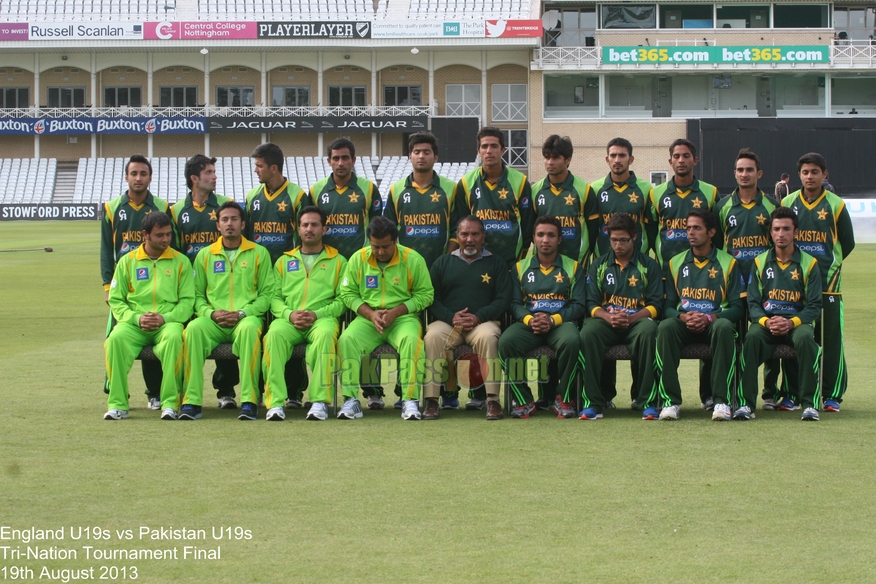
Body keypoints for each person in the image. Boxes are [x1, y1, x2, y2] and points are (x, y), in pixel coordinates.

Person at [180, 201, 275, 421]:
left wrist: (243, 313)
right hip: (214, 321)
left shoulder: (259, 253)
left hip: (244, 320)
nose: (229, 224)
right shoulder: (205, 255)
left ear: (243, 224)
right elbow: (196, 296)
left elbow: (267, 295)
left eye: (234, 219)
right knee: (193, 329)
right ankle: (191, 401)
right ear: (218, 226)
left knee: (251, 330)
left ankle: (250, 401)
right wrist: (209, 314)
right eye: (224, 220)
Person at [336, 216, 434, 420]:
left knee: (411, 341)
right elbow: (347, 293)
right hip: (367, 319)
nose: (380, 252)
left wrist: (396, 312)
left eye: (386, 247)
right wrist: (371, 314)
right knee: (347, 340)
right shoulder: (358, 258)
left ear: (396, 241)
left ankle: (410, 400)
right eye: (375, 247)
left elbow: (426, 295)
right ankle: (350, 400)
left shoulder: (413, 259)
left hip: (403, 319)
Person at [647, 139, 720, 410]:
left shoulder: (711, 193)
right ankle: (663, 395)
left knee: (708, 322)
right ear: (669, 162)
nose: (681, 160)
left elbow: (717, 232)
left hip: (705, 271)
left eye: (686, 156)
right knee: (666, 330)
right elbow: (652, 233)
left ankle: (710, 394)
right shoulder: (656, 195)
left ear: (695, 160)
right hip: (668, 273)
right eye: (676, 156)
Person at [655, 209, 745, 421]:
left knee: (724, 327)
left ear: (711, 232)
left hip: (713, 325)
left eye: (697, 228)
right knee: (665, 327)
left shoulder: (728, 263)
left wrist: (709, 318)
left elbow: (738, 309)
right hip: (684, 324)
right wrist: (682, 317)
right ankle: (670, 401)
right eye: (688, 228)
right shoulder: (674, 262)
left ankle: (721, 400)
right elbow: (666, 307)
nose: (691, 233)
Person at [782, 152, 855, 412]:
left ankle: (831, 394)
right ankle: (790, 393)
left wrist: (828, 267)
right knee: (793, 339)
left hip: (828, 286)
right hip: (792, 286)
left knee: (830, 340)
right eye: (805, 172)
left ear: (825, 175)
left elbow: (847, 243)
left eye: (815, 172)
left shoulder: (836, 204)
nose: (809, 176)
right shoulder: (789, 201)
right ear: (799, 175)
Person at [713, 149, 785, 408]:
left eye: (749, 170)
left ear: (759, 174)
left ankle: (769, 393)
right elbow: (718, 250)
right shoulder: (722, 206)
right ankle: (722, 393)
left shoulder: (771, 207)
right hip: (731, 286)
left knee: (766, 336)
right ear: (734, 174)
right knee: (726, 339)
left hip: (764, 286)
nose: (744, 174)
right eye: (740, 170)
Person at [585, 137, 654, 407]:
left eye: (622, 155)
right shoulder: (595, 189)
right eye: (612, 155)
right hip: (605, 268)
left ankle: (640, 396)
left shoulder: (646, 190)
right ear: (606, 159)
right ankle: (604, 397)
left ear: (631, 159)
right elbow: (590, 231)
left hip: (636, 267)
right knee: (601, 325)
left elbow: (652, 229)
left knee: (642, 330)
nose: (617, 159)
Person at [104, 212, 194, 420]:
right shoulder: (127, 262)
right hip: (135, 323)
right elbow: (116, 300)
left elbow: (188, 302)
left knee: (174, 339)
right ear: (145, 235)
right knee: (115, 339)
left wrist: (166, 318)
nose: (165, 240)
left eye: (168, 235)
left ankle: (170, 403)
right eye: (159, 235)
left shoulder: (181, 262)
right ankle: (118, 404)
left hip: (167, 323)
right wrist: (136, 318)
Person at [261, 206, 347, 422]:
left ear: (324, 229)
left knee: (326, 336)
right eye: (305, 225)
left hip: (322, 320)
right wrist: (289, 315)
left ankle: (319, 402)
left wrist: (317, 314)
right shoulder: (283, 261)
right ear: (297, 229)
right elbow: (274, 297)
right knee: (273, 336)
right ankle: (276, 403)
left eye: (315, 225)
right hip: (289, 321)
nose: (309, 229)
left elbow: (343, 300)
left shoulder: (339, 261)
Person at [423, 215, 513, 420]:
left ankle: (492, 401)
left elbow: (503, 298)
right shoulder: (442, 262)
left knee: (489, 337)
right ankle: (431, 401)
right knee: (433, 336)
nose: (469, 239)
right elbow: (431, 298)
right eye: (464, 234)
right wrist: (450, 316)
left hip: (482, 323)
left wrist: (479, 316)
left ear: (483, 237)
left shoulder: (496, 263)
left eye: (475, 234)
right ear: (457, 236)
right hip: (448, 324)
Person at [737, 207, 822, 421]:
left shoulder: (809, 263)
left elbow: (814, 305)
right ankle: (746, 405)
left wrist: (791, 323)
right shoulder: (760, 262)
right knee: (752, 338)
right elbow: (753, 303)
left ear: (796, 233)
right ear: (771, 233)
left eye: (786, 229)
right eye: (776, 229)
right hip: (767, 323)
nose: (781, 234)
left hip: (796, 323)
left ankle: (809, 404)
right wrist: (767, 321)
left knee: (805, 338)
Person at [100, 154, 170, 410]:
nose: (138, 178)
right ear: (126, 176)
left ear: (150, 177)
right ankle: (115, 390)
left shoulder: (162, 206)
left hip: (155, 278)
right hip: (125, 281)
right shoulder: (112, 207)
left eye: (143, 173)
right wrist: (108, 286)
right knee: (115, 339)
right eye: (134, 173)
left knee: (154, 331)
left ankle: (155, 392)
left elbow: (168, 243)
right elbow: (106, 250)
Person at [498, 216, 586, 419]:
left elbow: (579, 304)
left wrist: (553, 320)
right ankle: (523, 399)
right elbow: (513, 303)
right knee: (505, 342)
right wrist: (530, 320)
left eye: (550, 235)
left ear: (559, 239)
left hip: (560, 323)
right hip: (530, 323)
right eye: (540, 235)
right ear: (534, 238)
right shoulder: (520, 267)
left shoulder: (573, 267)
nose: (545, 240)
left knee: (573, 341)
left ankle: (563, 397)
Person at [170, 154, 239, 410]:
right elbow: (175, 250)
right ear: (194, 179)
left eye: (214, 171)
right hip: (188, 287)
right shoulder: (176, 211)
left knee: (227, 330)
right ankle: (184, 393)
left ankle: (226, 391)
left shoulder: (224, 206)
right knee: (189, 339)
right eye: (209, 172)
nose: (214, 176)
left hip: (220, 281)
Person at [245, 143, 310, 409]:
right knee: (262, 335)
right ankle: (263, 390)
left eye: (259, 166)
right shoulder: (252, 196)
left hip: (289, 276)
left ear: (273, 167)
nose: (256, 170)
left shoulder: (297, 196)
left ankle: (294, 391)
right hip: (258, 277)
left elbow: (304, 236)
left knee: (290, 331)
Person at [579, 214, 663, 420]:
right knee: (587, 333)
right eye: (613, 240)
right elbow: (591, 303)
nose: (618, 245)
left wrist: (632, 318)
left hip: (638, 322)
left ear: (634, 237)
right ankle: (594, 403)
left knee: (650, 331)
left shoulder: (649, 265)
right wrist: (608, 318)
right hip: (607, 321)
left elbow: (656, 305)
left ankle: (647, 401)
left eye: (623, 240)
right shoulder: (598, 265)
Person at [452, 126, 535, 267]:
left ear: (503, 150)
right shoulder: (466, 183)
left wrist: (520, 255)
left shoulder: (520, 181)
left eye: (494, 146)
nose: (489, 151)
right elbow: (461, 224)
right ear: (478, 151)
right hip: (476, 262)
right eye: (484, 146)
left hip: (511, 263)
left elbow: (527, 226)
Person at [384, 131, 459, 267]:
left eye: (426, 152)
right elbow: (389, 230)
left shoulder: (451, 189)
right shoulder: (396, 189)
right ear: (410, 157)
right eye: (417, 152)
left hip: (440, 266)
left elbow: (457, 229)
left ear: (435, 157)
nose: (421, 156)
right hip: (404, 266)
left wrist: (447, 259)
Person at [309, 137, 383, 260]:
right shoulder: (315, 190)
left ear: (353, 160)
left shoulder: (369, 188)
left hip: (360, 259)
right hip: (326, 260)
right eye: (336, 158)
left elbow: (376, 226)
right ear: (329, 161)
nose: (340, 163)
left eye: (345, 158)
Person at [530, 134, 596, 264]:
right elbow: (530, 229)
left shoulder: (585, 190)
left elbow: (593, 231)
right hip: (543, 265)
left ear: (568, 160)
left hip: (577, 264)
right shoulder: (535, 191)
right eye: (547, 158)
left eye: (555, 158)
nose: (550, 162)